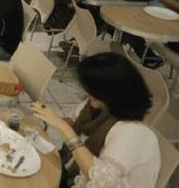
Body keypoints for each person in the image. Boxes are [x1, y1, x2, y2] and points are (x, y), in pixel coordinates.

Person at [29, 52, 158, 188]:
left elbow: (100, 180)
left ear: (114, 92)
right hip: (72, 174)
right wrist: (49, 117)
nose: (89, 94)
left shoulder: (132, 131)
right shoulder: (100, 105)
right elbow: (73, 122)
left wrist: (63, 128)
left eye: (94, 90)